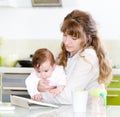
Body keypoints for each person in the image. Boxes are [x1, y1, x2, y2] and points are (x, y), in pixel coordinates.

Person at [37, 9, 112, 105]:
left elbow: (69, 97)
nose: (67, 42)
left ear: (87, 38)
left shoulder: (88, 57)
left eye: (74, 38)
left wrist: (39, 94)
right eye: (65, 35)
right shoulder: (70, 53)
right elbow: (56, 83)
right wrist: (41, 85)